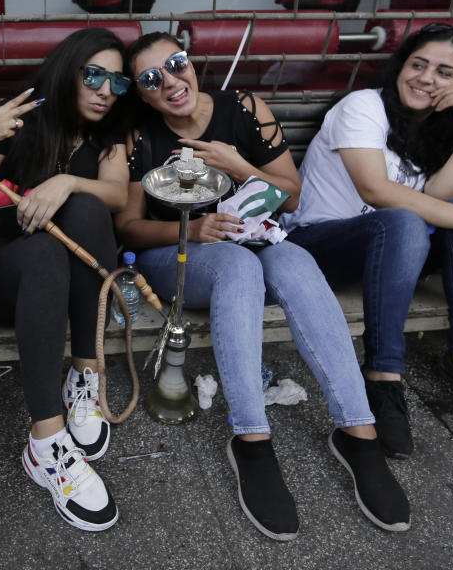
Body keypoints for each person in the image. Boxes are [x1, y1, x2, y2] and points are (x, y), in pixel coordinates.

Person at [115, 32, 410, 540]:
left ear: (192, 62)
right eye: (150, 78)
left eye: (176, 63)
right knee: (236, 265)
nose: (170, 81)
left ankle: (358, 433)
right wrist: (195, 228)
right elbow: (128, 228)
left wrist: (241, 167)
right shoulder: (139, 136)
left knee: (293, 257)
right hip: (177, 255)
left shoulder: (245, 107)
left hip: (255, 241)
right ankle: (251, 439)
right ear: (141, 93)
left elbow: (291, 199)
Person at [0, 28, 130, 531]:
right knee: (47, 249)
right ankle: (46, 440)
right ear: (68, 70)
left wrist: (67, 181)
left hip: (58, 271)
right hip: (0, 270)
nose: (104, 90)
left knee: (89, 207)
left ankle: (84, 371)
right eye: (93, 75)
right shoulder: (23, 121)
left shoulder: (106, 139)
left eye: (116, 82)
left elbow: (117, 196)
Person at [282, 23, 453, 452]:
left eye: (445, 73)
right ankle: (383, 377)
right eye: (418, 64)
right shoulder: (364, 106)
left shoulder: (440, 130)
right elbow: (375, 190)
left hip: (395, 251)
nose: (427, 78)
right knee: (412, 219)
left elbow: (445, 198)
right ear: (400, 66)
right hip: (318, 247)